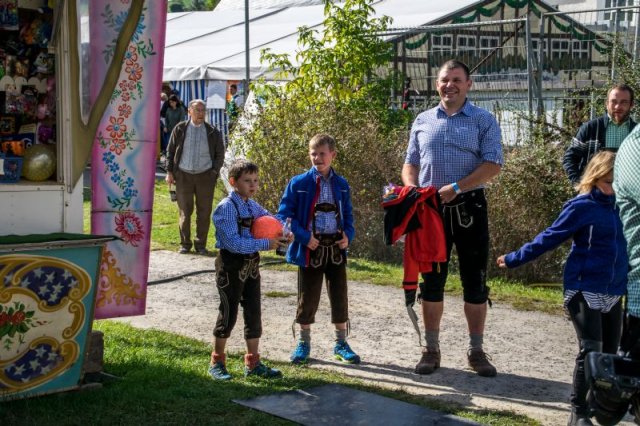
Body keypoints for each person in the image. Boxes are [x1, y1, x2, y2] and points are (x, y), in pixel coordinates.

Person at [497, 151, 627, 426]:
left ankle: (599, 408)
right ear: (601, 174)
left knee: (610, 354)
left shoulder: (623, 206)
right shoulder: (581, 206)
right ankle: (578, 412)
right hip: (583, 286)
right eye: (616, 176)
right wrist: (514, 258)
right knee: (591, 349)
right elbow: (550, 236)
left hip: (613, 289)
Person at [402, 59, 503, 377]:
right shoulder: (422, 119)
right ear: (437, 84)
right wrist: (411, 190)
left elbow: (494, 164)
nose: (451, 85)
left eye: (457, 79)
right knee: (431, 282)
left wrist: (458, 187)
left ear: (468, 84)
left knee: (475, 281)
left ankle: (476, 351)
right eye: (445, 80)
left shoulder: (484, 120)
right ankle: (430, 349)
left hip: (470, 208)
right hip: (430, 211)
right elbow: (410, 164)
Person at [277, 133, 359, 365]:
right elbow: (284, 215)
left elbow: (349, 217)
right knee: (308, 297)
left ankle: (341, 344)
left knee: (339, 296)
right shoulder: (299, 183)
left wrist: (348, 235)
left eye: (322, 153)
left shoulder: (341, 185)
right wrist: (303, 237)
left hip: (335, 249)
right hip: (309, 250)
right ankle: (303, 343)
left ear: (332, 155)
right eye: (313, 153)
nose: (317, 158)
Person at [209, 159, 285, 380]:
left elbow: (270, 219)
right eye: (247, 181)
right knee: (228, 312)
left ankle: (253, 363)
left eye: (255, 181)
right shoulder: (226, 208)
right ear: (233, 182)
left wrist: (283, 231)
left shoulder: (252, 205)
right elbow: (233, 243)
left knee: (253, 312)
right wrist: (264, 244)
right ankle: (217, 362)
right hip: (230, 265)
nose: (253, 185)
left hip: (251, 266)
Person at [165, 99, 225, 255]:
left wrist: (214, 172)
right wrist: (169, 172)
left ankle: (201, 245)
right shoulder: (180, 129)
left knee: (204, 212)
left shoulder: (212, 131)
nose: (200, 113)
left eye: (203, 110)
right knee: (185, 211)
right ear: (189, 112)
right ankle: (185, 243)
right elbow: (170, 152)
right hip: (183, 175)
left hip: (205, 176)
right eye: (197, 110)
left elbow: (220, 154)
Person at [563, 84, 636, 185]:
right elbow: (570, 158)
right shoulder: (590, 128)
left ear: (632, 105)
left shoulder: (636, 133)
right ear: (606, 103)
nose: (617, 106)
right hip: (594, 194)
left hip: (628, 195)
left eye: (624, 102)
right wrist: (579, 184)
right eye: (613, 101)